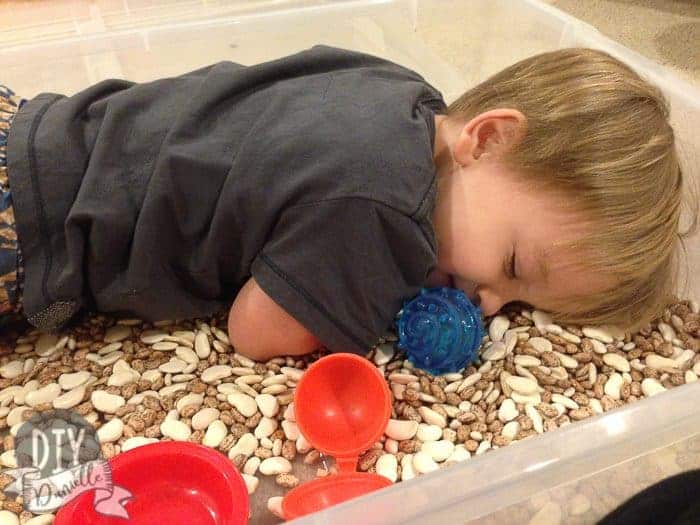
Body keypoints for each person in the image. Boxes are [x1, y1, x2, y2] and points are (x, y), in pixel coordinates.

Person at [1, 45, 696, 363]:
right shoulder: (385, 213)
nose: (487, 304)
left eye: (517, 303)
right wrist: (370, 299)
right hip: (34, 230)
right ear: (486, 139)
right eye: (513, 263)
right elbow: (255, 329)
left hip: (41, 128)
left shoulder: (404, 92)